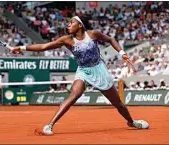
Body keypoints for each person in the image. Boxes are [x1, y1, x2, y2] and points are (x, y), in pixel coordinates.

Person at [8, 16, 149, 135]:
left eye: (71, 22)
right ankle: (50, 125)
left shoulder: (93, 34)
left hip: (99, 70)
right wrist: (21, 48)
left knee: (118, 104)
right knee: (73, 95)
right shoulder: (66, 40)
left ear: (80, 25)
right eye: (68, 23)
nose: (68, 25)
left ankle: (131, 122)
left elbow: (111, 40)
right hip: (83, 70)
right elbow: (44, 47)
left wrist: (122, 53)